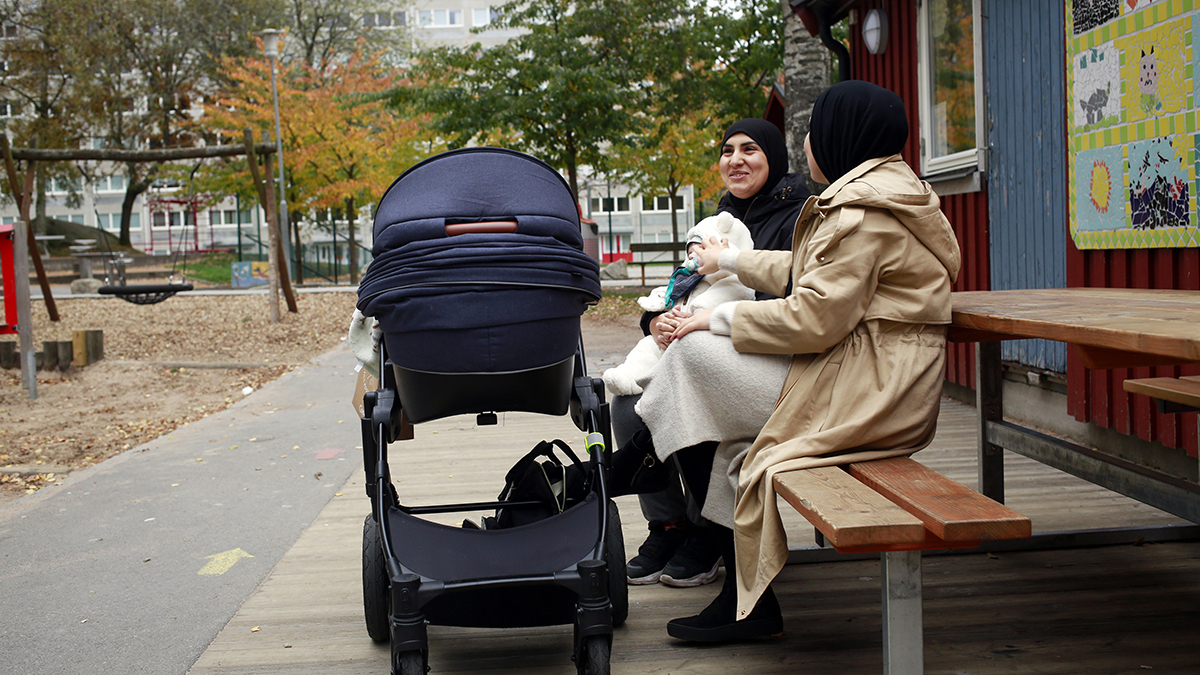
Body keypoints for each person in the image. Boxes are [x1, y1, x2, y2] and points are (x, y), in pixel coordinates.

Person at [634, 80, 961, 642]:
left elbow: (815, 317)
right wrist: (731, 261)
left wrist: (715, 318)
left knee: (693, 355)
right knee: (736, 443)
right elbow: (808, 266)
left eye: (811, 131)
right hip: (868, 375)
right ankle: (747, 599)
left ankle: (639, 455)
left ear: (839, 137)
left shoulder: (865, 212)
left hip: (869, 392)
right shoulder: (882, 195)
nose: (805, 142)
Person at [616, 119, 810, 588]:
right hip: (702, 335)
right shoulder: (716, 219)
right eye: (727, 151)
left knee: (687, 385)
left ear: (774, 158)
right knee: (624, 404)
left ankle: (706, 529)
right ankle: (669, 524)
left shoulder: (800, 217)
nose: (736, 160)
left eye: (750, 150)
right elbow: (681, 288)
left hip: (769, 353)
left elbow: (793, 302)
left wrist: (704, 320)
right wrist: (655, 322)